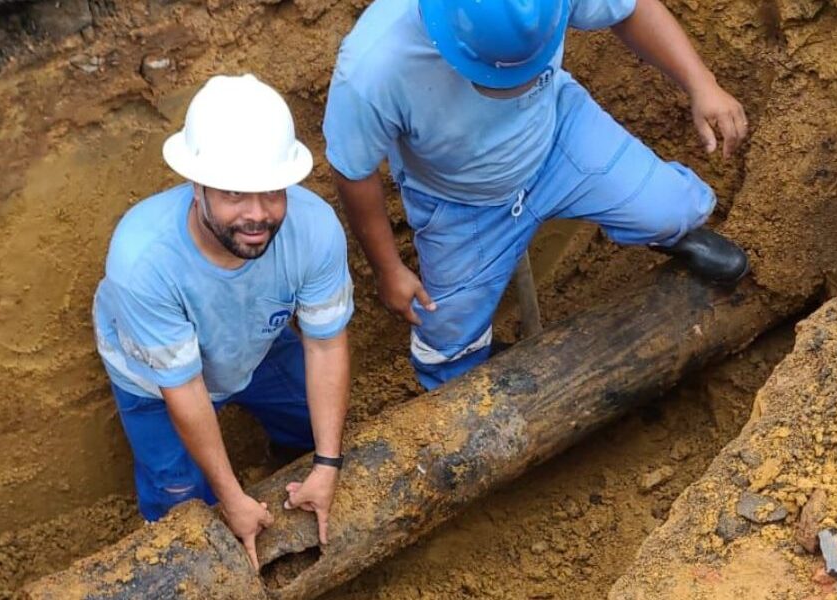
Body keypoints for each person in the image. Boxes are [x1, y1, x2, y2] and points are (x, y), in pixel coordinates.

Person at [323, 0, 751, 391]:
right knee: (446, 349)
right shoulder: (372, 66)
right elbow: (353, 172)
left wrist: (701, 83)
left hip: (558, 136)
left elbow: (629, 7)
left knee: (670, 210)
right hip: (459, 201)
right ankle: (476, 378)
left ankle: (668, 232)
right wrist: (388, 269)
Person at [93, 74, 354, 570]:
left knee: (314, 422)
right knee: (183, 505)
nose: (258, 215)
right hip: (154, 380)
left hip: (255, 341)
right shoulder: (142, 259)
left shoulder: (314, 228)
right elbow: (185, 388)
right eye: (235, 193)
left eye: (272, 192)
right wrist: (231, 498)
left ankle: (293, 470)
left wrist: (326, 463)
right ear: (197, 187)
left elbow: (325, 346)